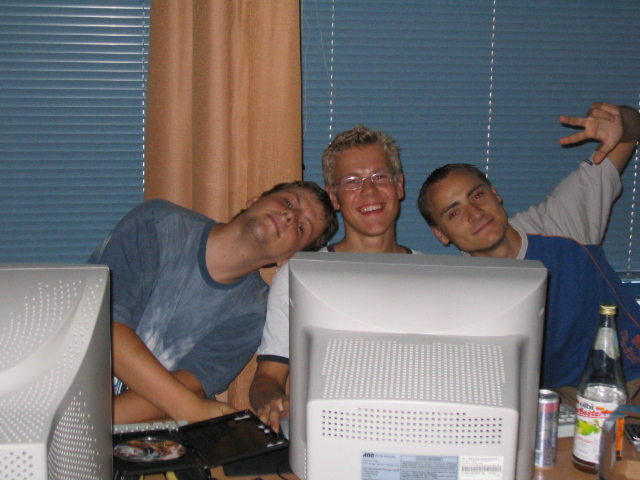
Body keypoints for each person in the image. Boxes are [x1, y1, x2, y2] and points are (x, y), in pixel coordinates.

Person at [417, 102, 640, 405]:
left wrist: (620, 121)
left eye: (478, 195)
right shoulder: (463, 297)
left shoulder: (563, 222)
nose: (475, 214)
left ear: (495, 194)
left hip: (631, 376)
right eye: (454, 213)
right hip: (566, 402)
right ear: (441, 234)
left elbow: (630, 134)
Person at [88, 181, 338, 424]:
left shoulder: (254, 312)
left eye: (302, 227)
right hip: (74, 391)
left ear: (288, 259)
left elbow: (190, 385)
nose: (290, 216)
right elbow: (104, 330)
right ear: (255, 200)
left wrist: (90, 425)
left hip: (128, 430)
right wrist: (192, 409)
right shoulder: (160, 224)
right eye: (288, 202)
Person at [249, 126, 418, 431]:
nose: (369, 191)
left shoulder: (433, 276)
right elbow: (267, 377)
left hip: (413, 429)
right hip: (330, 431)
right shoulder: (300, 275)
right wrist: (273, 401)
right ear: (334, 197)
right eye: (352, 182)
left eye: (380, 177)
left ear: (400, 186)